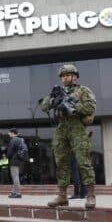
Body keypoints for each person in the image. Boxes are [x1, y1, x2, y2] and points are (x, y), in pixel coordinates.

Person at [39, 64, 97, 208]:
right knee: (61, 162)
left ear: (74, 77)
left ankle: (90, 195)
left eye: (68, 75)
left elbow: (90, 107)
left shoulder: (82, 90)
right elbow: (44, 106)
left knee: (83, 161)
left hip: (77, 128)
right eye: (63, 76)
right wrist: (54, 100)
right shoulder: (58, 91)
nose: (65, 78)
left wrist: (71, 105)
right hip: (61, 128)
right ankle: (62, 196)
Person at [7, 128, 24, 198]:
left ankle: (17, 193)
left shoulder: (13, 140)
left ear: (13, 133)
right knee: (15, 176)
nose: (8, 134)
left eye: (9, 132)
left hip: (13, 160)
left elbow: (10, 152)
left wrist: (8, 156)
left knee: (15, 176)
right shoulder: (20, 140)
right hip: (18, 160)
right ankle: (14, 192)